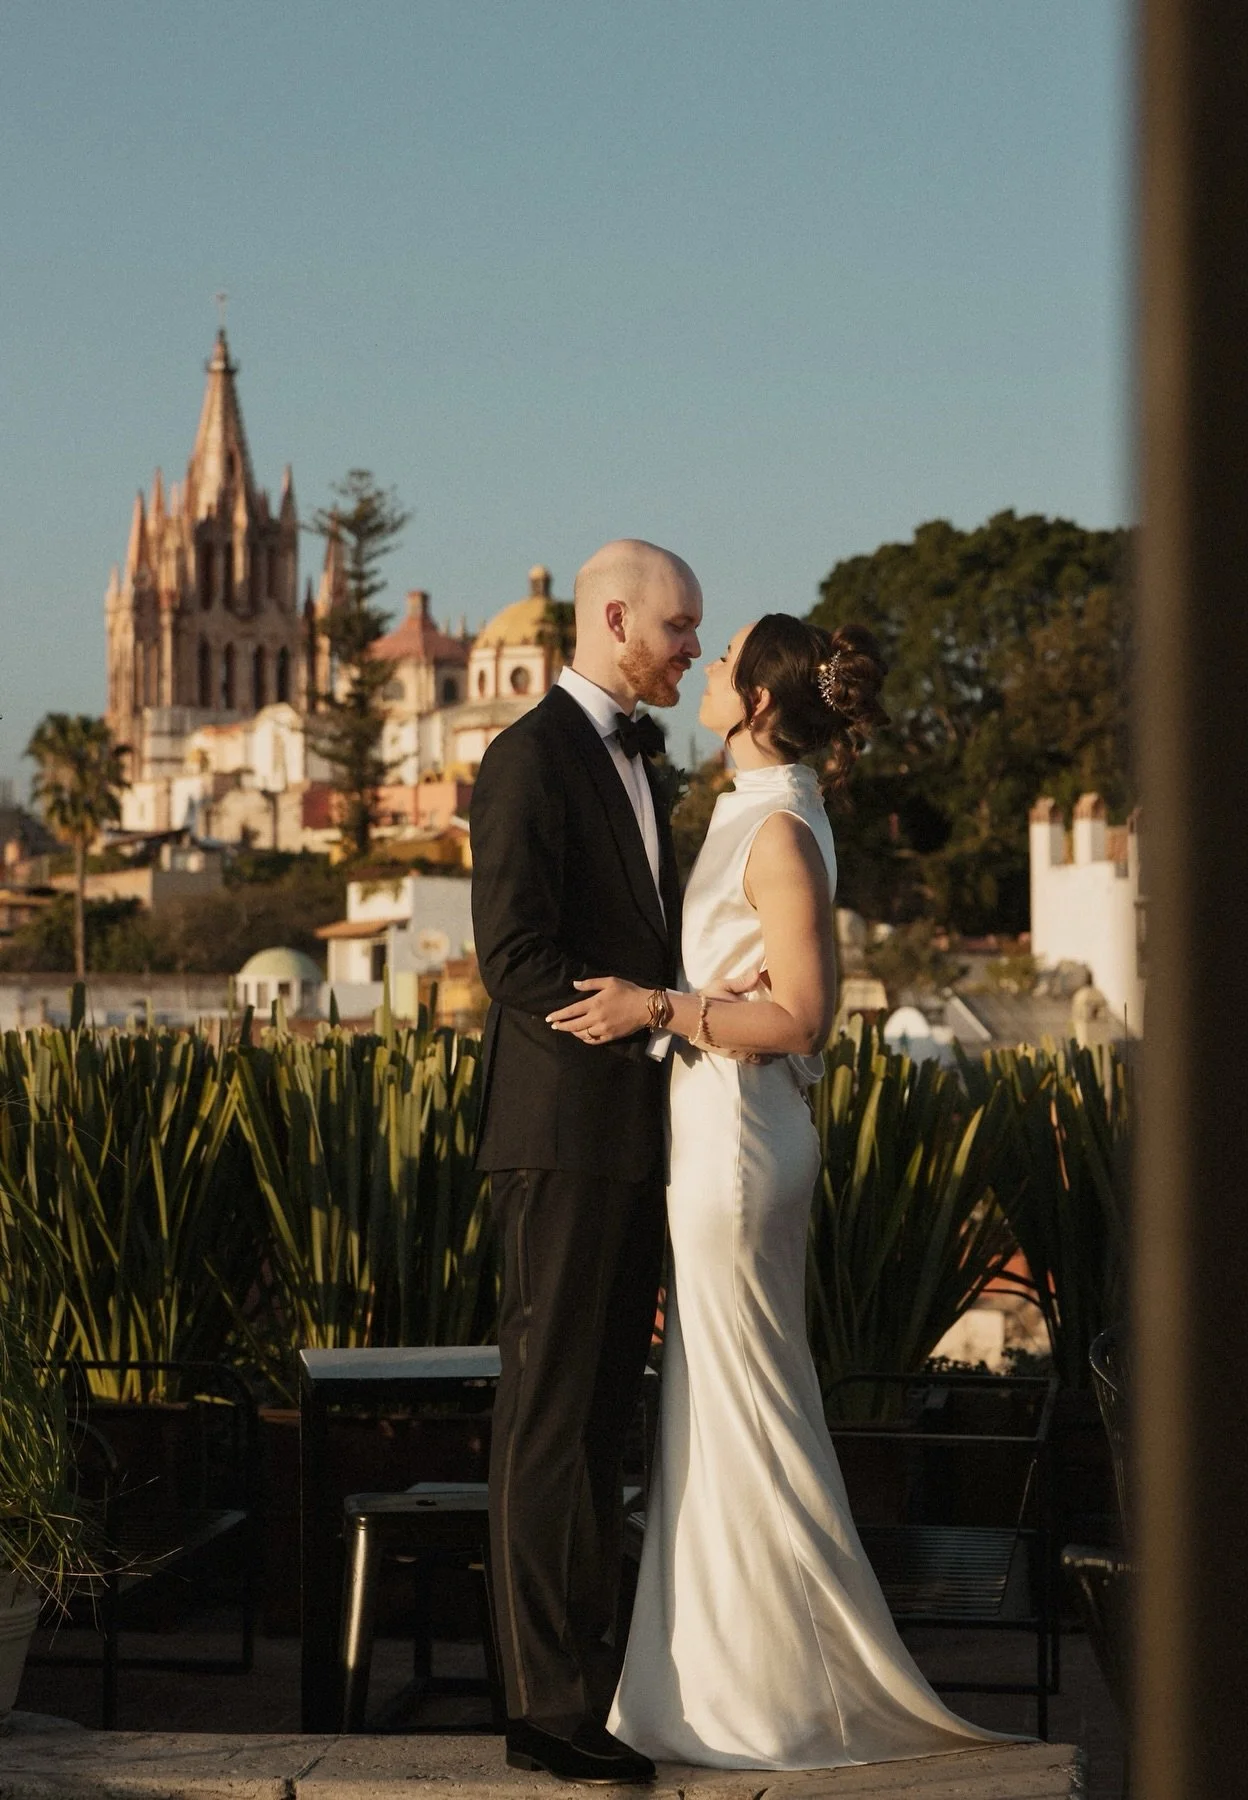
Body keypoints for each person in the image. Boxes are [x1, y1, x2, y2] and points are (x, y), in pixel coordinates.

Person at [547, 614, 1008, 1770]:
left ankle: (764, 1698)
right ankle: (723, 1684)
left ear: (757, 700)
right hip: (720, 1131)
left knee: (744, 1411)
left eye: (726, 654)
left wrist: (655, 1007)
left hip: (740, 1146)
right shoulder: (758, 806)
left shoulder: (782, 831)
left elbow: (803, 1014)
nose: (703, 665)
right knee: (721, 1408)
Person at [468, 538, 702, 1786]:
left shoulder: (644, 765)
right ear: (615, 619)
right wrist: (632, 1013)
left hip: (630, 1138)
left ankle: (594, 1690)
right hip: (560, 1137)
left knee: (604, 1415)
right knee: (550, 1421)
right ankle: (542, 1710)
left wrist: (675, 1010)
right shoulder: (526, 760)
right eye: (680, 629)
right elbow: (510, 956)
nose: (694, 651)